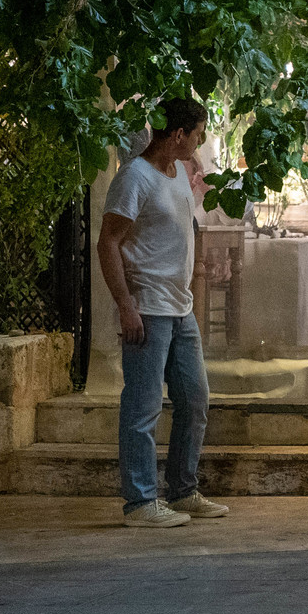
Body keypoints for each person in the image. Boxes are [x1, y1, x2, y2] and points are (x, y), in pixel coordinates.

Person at [97, 97, 227, 528]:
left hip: (179, 308)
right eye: (198, 133)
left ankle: (183, 491)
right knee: (143, 406)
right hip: (148, 308)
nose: (201, 140)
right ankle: (139, 503)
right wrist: (125, 305)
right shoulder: (135, 177)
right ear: (178, 134)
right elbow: (108, 242)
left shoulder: (176, 174)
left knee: (194, 398)